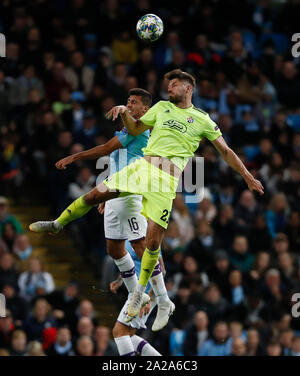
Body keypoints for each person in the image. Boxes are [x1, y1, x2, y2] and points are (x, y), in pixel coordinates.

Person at [30, 68, 264, 323]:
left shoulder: (203, 120)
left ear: (188, 88)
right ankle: (58, 223)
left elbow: (226, 151)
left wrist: (247, 176)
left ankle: (149, 297)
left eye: (174, 85)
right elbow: (136, 127)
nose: (169, 89)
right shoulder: (162, 107)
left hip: (166, 179)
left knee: (152, 244)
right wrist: (124, 112)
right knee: (96, 195)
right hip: (143, 168)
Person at [31, 88, 173, 331]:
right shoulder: (128, 129)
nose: (129, 105)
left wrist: (74, 157)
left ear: (145, 110)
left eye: (134, 102)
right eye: (128, 101)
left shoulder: (139, 129)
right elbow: (117, 159)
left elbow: (106, 149)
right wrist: (110, 194)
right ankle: (139, 296)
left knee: (140, 245)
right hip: (118, 189)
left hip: (132, 192)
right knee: (114, 249)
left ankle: (163, 299)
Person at [111, 240, 162, 356]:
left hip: (145, 293)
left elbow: (161, 271)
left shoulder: (150, 237)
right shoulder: (128, 238)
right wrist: (119, 281)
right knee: (128, 335)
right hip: (136, 293)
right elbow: (130, 265)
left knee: (119, 332)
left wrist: (150, 298)